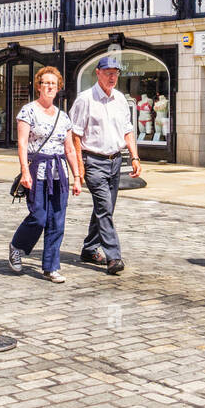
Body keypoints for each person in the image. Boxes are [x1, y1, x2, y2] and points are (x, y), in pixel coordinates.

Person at [7, 67, 80, 282]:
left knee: (57, 219)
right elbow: (21, 144)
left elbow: (69, 149)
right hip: (37, 170)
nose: (49, 87)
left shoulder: (63, 116)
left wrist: (76, 176)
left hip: (59, 172)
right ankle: (17, 246)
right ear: (39, 86)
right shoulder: (28, 111)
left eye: (53, 84)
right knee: (38, 217)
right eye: (45, 83)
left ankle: (51, 266)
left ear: (58, 88)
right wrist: (24, 171)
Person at [69, 55, 140, 276]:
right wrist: (79, 167)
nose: (112, 76)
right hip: (94, 161)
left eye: (116, 73)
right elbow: (75, 135)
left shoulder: (120, 99)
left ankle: (90, 249)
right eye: (108, 72)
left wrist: (135, 157)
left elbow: (128, 130)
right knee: (103, 208)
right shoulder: (85, 99)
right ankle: (114, 257)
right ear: (97, 73)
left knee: (105, 209)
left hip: (116, 160)